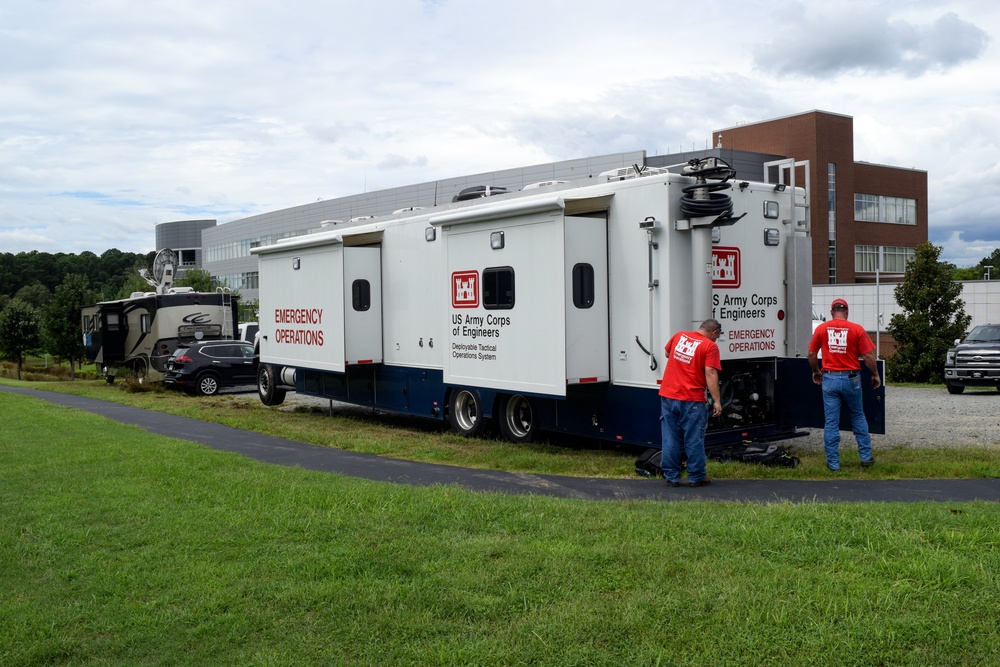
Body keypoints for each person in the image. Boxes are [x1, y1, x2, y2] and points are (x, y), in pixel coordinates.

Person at [808, 298, 881, 471]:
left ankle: (833, 464)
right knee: (857, 416)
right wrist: (875, 374)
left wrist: (816, 371)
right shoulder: (857, 329)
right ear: (846, 312)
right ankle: (865, 457)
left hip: (829, 379)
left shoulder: (821, 329)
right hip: (851, 379)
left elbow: (811, 353)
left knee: (831, 422)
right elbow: (869, 356)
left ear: (832, 312)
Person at [659, 319, 723, 487]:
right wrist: (717, 401)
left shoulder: (679, 335)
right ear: (714, 333)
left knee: (670, 438)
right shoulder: (710, 346)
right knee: (693, 439)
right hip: (691, 399)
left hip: (668, 395)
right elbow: (710, 372)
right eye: (717, 336)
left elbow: (667, 354)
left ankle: (672, 476)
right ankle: (696, 476)